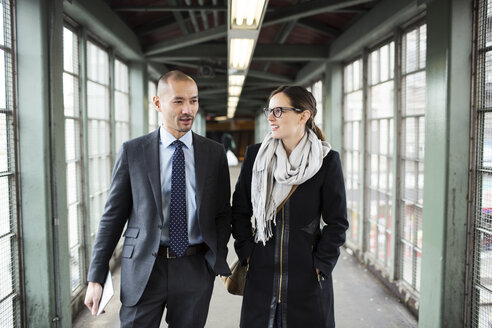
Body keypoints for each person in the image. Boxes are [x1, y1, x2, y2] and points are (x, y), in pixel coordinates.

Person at [84, 70, 232, 328]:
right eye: (178, 101)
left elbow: (222, 212)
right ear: (157, 103)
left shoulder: (214, 153)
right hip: (144, 266)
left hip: (194, 266)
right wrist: (96, 277)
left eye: (193, 101)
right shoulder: (134, 151)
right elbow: (113, 216)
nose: (188, 109)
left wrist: (216, 256)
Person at [232, 85, 348, 328]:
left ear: (303, 116)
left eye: (278, 111)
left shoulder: (326, 162)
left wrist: (321, 265)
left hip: (307, 276)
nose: (270, 117)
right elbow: (240, 209)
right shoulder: (255, 156)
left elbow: (337, 222)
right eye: (269, 110)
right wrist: (246, 251)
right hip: (261, 271)